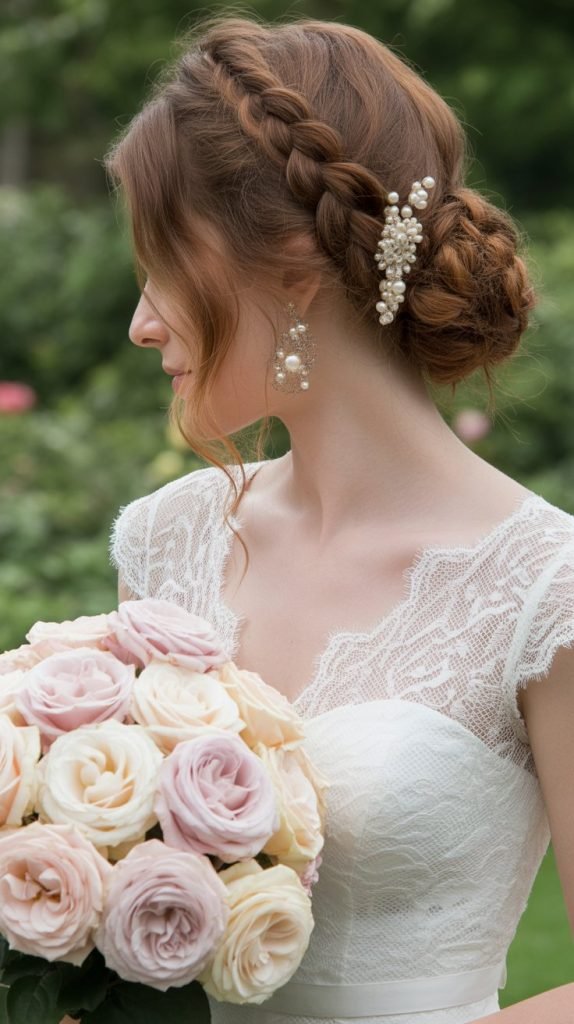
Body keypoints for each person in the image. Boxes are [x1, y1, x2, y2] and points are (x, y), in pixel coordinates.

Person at [104, 13, 574, 1024]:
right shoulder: (161, 541)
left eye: (164, 263)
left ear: (291, 266)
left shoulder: (547, 587)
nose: (142, 323)